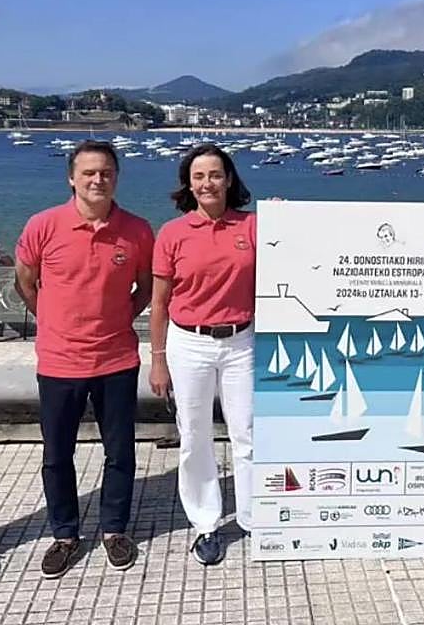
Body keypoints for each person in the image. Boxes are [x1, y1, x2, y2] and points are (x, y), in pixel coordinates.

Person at [15, 140, 154, 579]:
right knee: (57, 454)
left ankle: (114, 529)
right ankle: (65, 534)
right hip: (59, 362)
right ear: (71, 178)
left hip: (116, 359)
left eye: (106, 172)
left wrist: (120, 318)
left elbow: (146, 288)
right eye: (89, 173)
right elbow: (24, 281)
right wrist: (52, 320)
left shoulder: (137, 230)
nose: (98, 180)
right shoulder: (43, 226)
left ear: (117, 178)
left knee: (120, 451)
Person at [149, 144, 256, 566]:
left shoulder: (253, 226)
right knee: (195, 437)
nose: (207, 183)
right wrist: (158, 358)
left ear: (229, 180)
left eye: (215, 174)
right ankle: (206, 524)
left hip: (241, 342)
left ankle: (253, 518)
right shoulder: (172, 233)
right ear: (188, 185)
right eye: (199, 176)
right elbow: (159, 303)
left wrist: (286, 218)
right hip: (188, 343)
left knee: (247, 433)